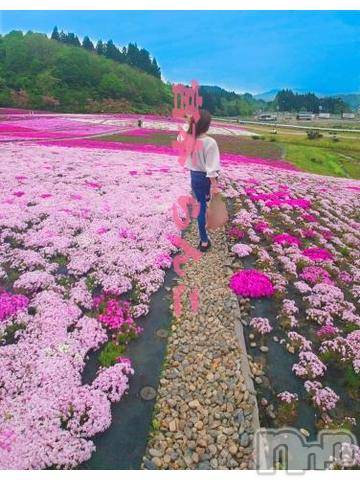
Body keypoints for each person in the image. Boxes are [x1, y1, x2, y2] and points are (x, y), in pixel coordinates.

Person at [185, 109, 220, 252]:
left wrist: (190, 120)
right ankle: (204, 241)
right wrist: (215, 186)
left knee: (201, 205)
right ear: (207, 124)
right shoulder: (210, 142)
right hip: (205, 178)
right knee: (203, 207)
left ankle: (204, 229)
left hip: (194, 176)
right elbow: (211, 168)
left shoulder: (191, 139)